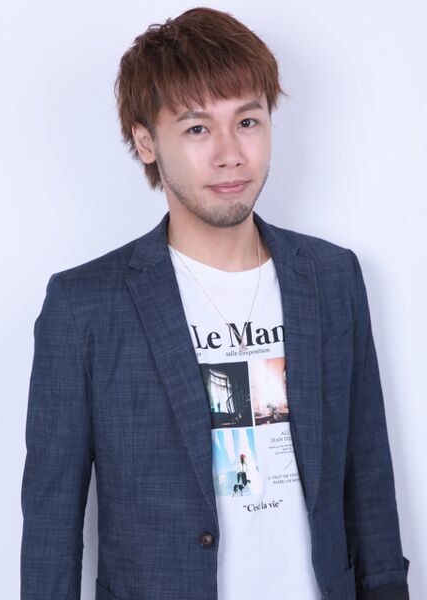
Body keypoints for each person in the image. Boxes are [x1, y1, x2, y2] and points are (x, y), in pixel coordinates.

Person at [20, 7, 410, 600]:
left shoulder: (331, 277)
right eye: (198, 129)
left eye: (247, 121)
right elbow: (51, 524)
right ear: (146, 142)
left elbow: (369, 473)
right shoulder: (84, 306)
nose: (231, 153)